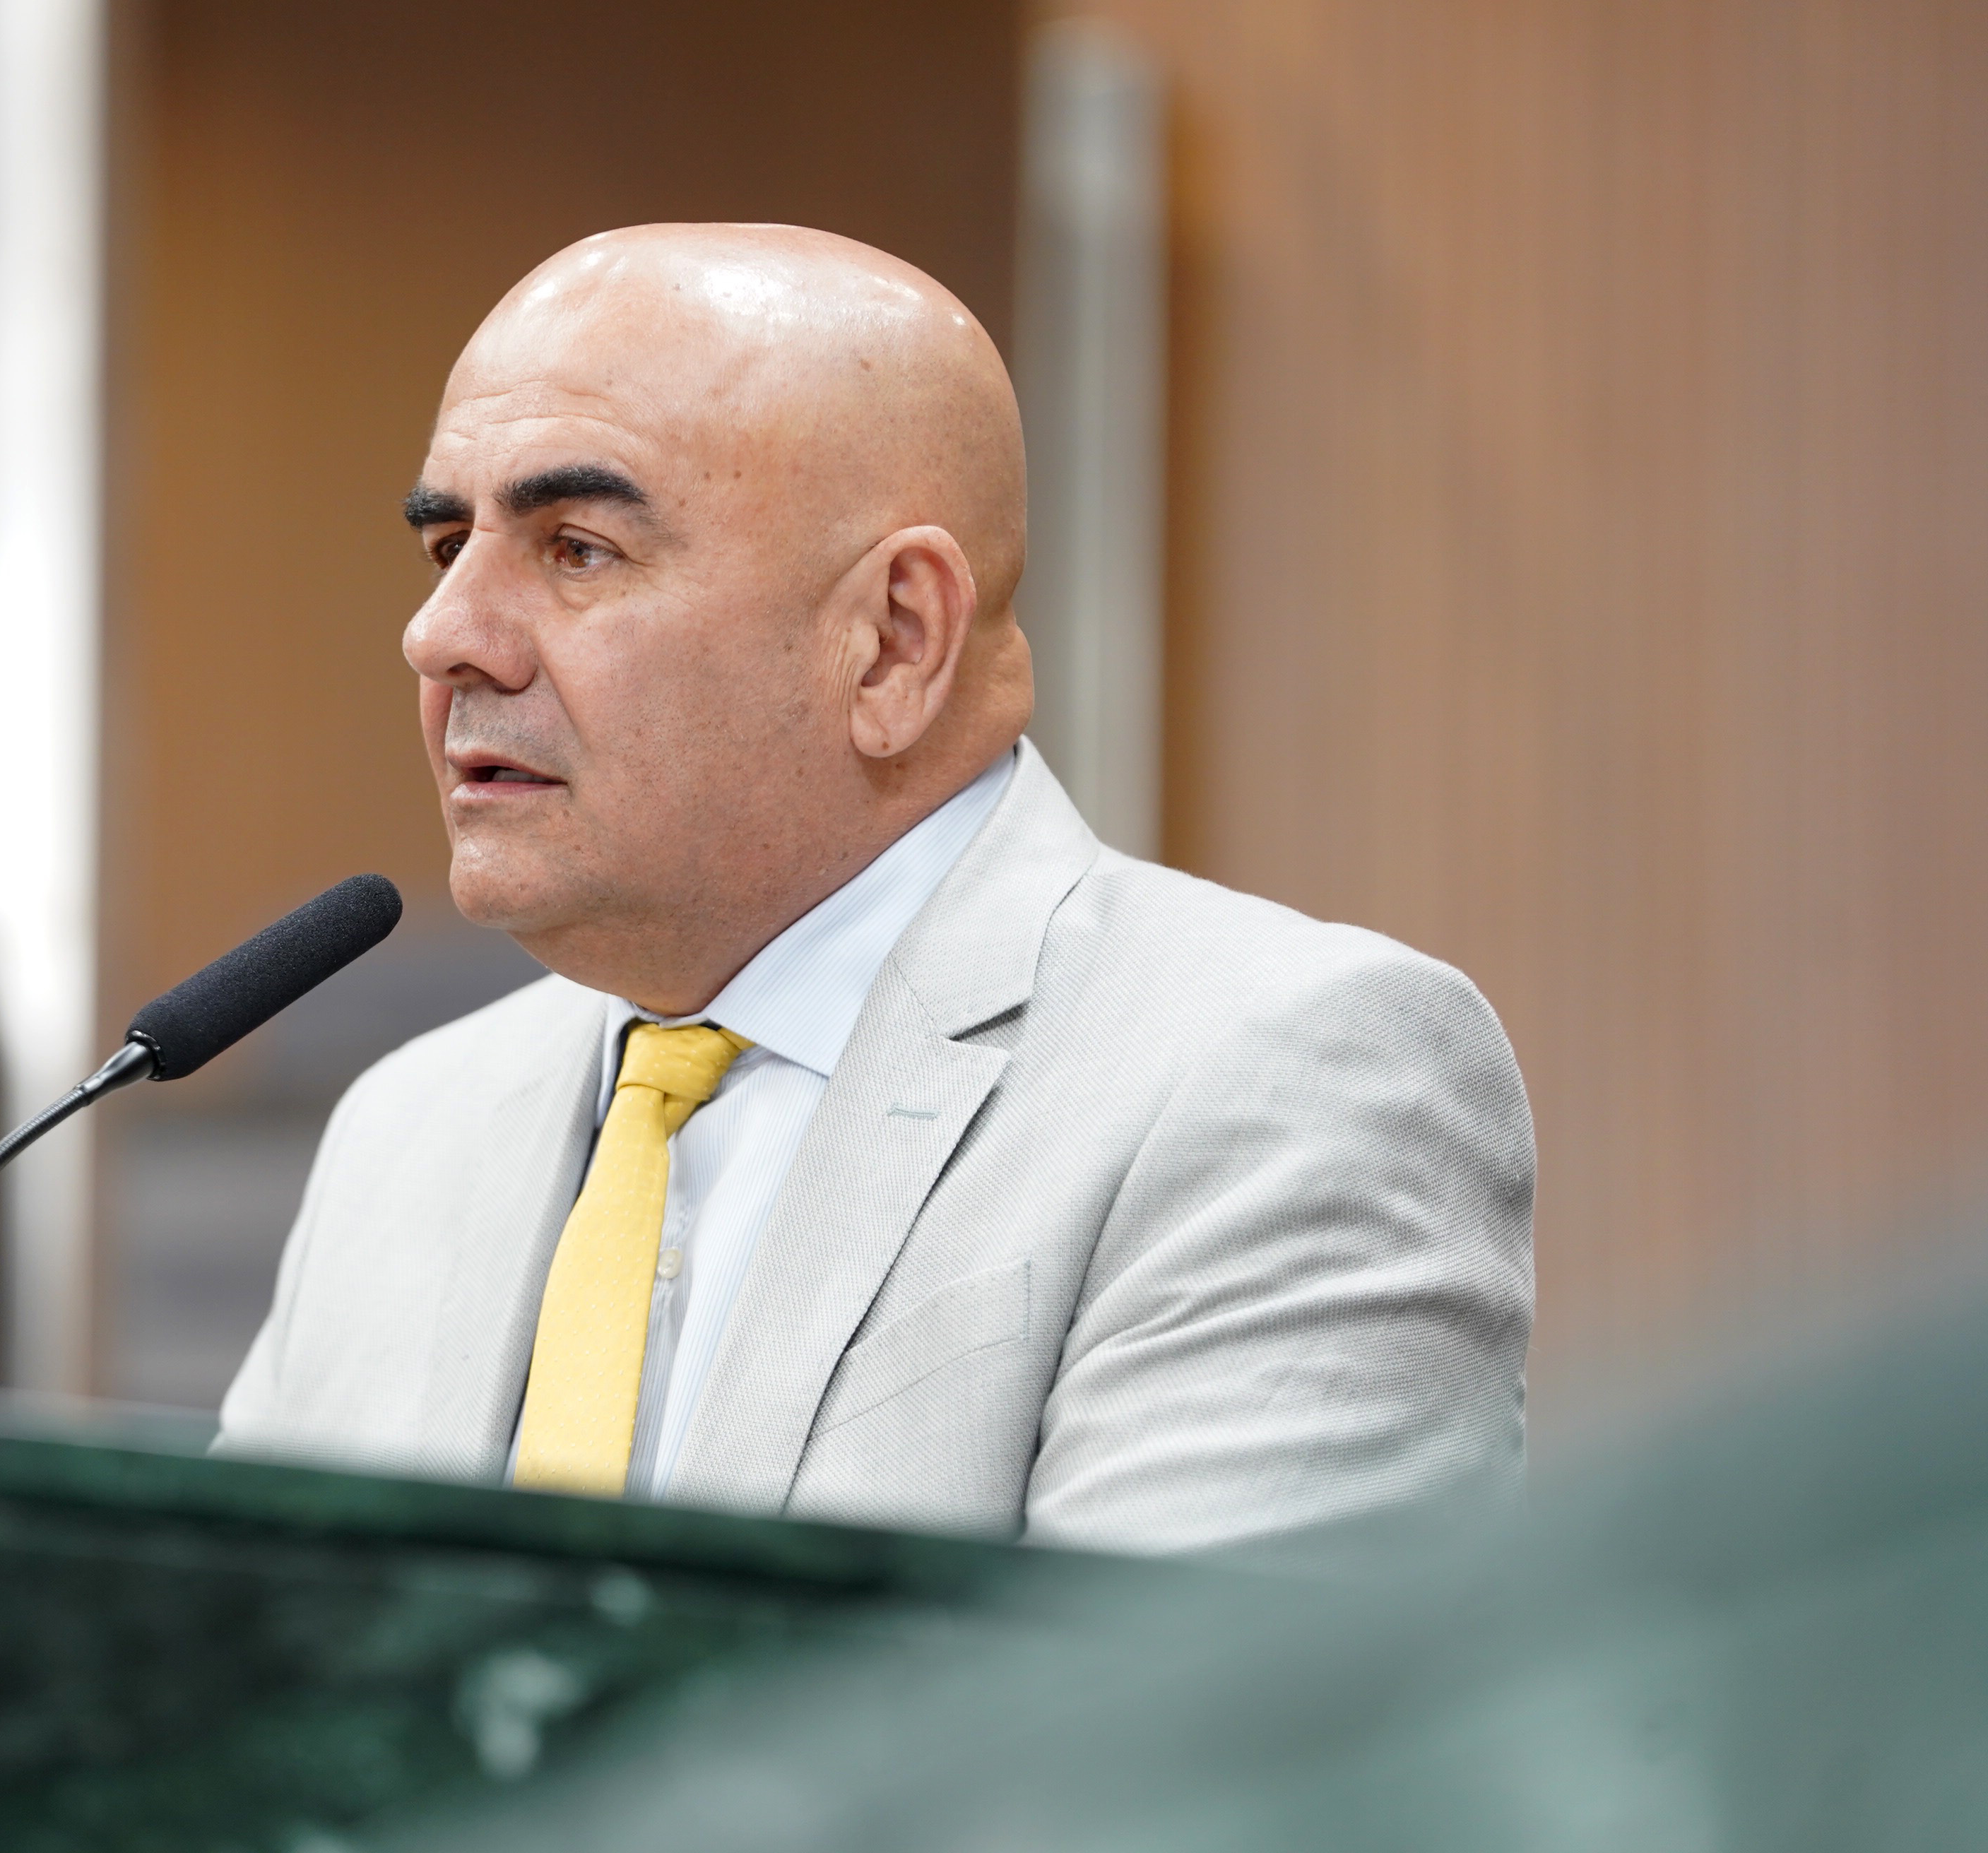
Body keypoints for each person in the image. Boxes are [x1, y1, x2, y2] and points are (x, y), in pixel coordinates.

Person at [215, 224, 1533, 1554]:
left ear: (895, 641)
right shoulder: (411, 1127)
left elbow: (1189, 1692)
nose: (441, 636)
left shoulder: (1282, 1081)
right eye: (449, 545)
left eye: (578, 549)